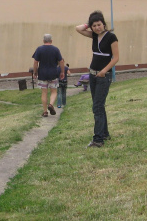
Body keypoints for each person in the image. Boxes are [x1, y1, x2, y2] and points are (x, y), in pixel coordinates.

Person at [75, 11, 119, 148]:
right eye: (94, 25)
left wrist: (104, 71)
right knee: (98, 105)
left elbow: (116, 57)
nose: (97, 27)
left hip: (103, 76)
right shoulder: (94, 36)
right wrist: (89, 23)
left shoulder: (111, 37)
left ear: (103, 24)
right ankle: (104, 133)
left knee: (97, 107)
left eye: (99, 24)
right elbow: (78, 29)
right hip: (93, 75)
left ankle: (98, 139)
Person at [32, 34, 65, 117]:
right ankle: (51, 104)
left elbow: (36, 62)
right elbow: (61, 61)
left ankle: (45, 111)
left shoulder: (39, 49)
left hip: (42, 73)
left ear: (43, 41)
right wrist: (62, 72)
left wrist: (35, 72)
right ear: (51, 41)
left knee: (44, 93)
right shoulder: (55, 49)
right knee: (54, 91)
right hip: (53, 73)